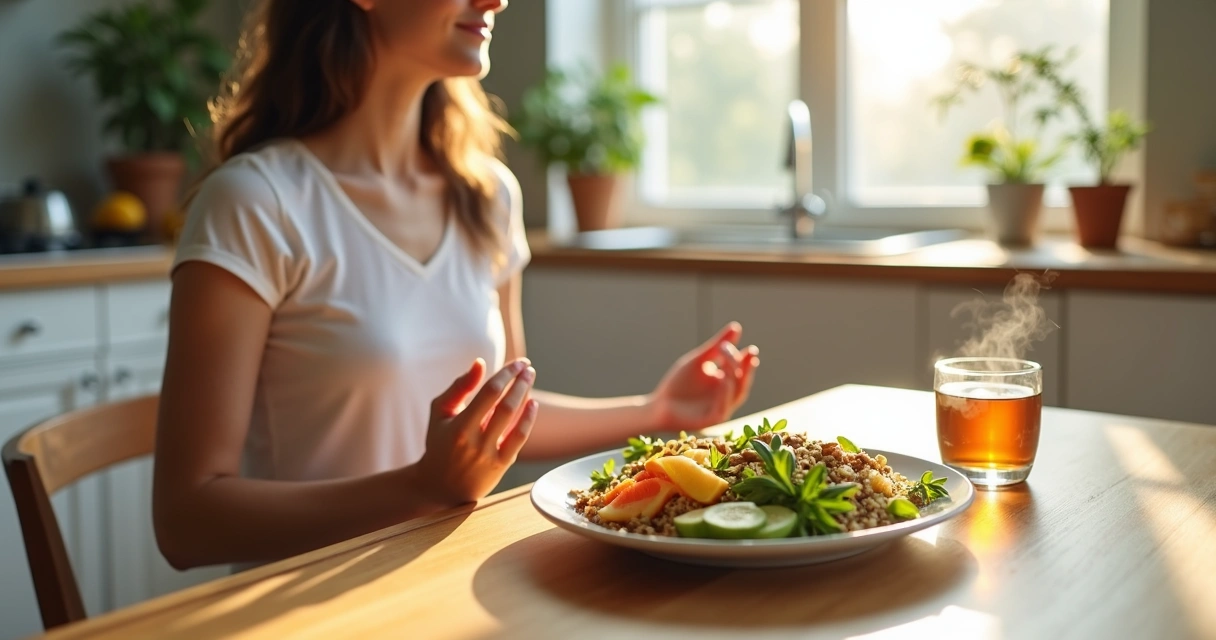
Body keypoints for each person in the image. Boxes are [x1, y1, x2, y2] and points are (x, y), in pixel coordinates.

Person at [152, 0, 760, 570]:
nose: (496, 1)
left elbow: (498, 420)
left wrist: (656, 410)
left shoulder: (488, 196)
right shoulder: (256, 203)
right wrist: (421, 487)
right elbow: (187, 522)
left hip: (452, 582)